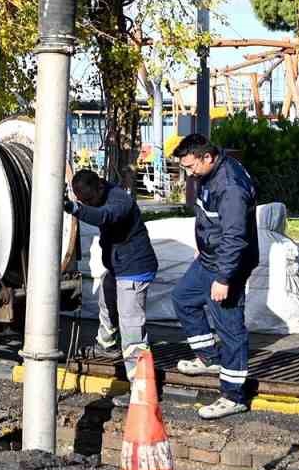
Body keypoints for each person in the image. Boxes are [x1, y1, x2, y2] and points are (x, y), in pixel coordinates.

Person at [170, 133, 259, 420]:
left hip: (227, 265)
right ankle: (209, 358)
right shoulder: (209, 175)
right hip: (209, 258)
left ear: (207, 157)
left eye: (191, 166)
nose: (189, 173)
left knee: (230, 328)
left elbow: (235, 236)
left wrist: (224, 278)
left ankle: (234, 396)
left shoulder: (231, 186)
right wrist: (202, 248)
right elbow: (211, 221)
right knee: (183, 298)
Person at [64, 168, 158, 382]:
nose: (89, 204)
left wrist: (76, 209)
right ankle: (107, 346)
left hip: (134, 270)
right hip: (119, 268)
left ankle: (139, 384)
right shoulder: (99, 194)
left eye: (89, 199)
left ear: (99, 186)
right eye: (83, 201)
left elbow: (104, 216)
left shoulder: (119, 201)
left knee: (131, 325)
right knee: (106, 300)